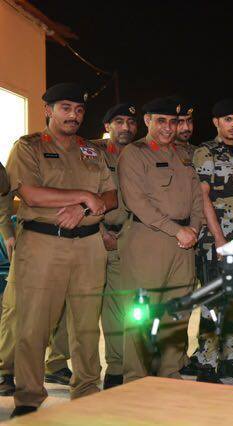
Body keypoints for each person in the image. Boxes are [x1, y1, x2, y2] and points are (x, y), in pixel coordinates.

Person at [6, 82, 117, 417]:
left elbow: (111, 197)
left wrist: (83, 208)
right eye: (65, 108)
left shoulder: (92, 151)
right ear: (48, 110)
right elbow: (30, 194)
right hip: (43, 244)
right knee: (34, 324)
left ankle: (86, 390)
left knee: (86, 324)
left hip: (89, 246)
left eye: (79, 110)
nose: (74, 115)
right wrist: (84, 196)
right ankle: (29, 396)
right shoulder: (29, 147)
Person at [118, 97, 203, 384]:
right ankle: (135, 378)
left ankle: (170, 372)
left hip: (184, 243)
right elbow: (137, 202)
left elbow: (197, 198)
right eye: (161, 121)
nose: (169, 127)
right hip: (149, 239)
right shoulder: (135, 153)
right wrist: (177, 230)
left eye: (174, 122)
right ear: (148, 121)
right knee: (141, 313)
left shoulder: (184, 154)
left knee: (178, 311)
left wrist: (193, 229)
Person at [190, 99, 233, 383]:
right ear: (216, 122)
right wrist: (219, 239)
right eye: (227, 119)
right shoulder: (205, 152)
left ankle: (230, 359)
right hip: (215, 241)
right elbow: (202, 196)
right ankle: (206, 364)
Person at [93, 102, 138, 389]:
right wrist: (99, 231)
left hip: (127, 237)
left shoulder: (140, 154)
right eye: (119, 121)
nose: (126, 127)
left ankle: (118, 367)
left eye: (131, 123)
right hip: (94, 237)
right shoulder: (92, 152)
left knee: (119, 307)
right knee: (82, 307)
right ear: (107, 126)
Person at [174, 101, 197, 166]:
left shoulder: (200, 151)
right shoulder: (160, 152)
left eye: (189, 121)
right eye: (180, 122)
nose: (186, 128)